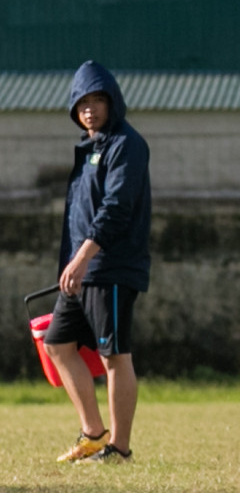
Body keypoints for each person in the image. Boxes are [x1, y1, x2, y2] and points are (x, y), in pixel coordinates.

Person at [48, 61, 152, 464]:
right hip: (82, 269)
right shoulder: (90, 147)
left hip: (109, 266)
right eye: (82, 102)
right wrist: (73, 262)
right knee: (58, 345)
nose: (89, 109)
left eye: (97, 100)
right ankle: (93, 433)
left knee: (114, 355)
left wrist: (83, 257)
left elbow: (116, 208)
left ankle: (120, 449)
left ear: (113, 102)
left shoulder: (126, 144)